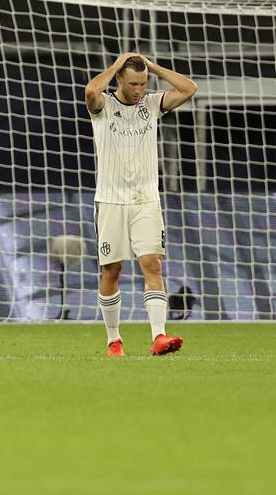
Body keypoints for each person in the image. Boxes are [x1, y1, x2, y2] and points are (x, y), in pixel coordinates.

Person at [84, 52, 197, 356]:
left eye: (143, 83)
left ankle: (159, 336)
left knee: (152, 264)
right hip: (110, 200)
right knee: (111, 270)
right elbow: (92, 92)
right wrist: (116, 64)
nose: (139, 89)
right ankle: (113, 340)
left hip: (146, 200)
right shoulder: (103, 106)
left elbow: (189, 89)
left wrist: (152, 67)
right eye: (133, 83)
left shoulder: (152, 104)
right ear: (119, 78)